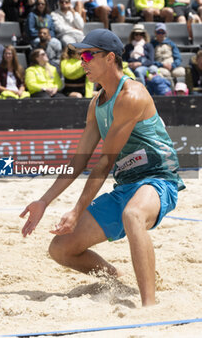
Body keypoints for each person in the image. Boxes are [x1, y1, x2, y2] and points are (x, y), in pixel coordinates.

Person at [20, 28, 185, 307]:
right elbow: (79, 160)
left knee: (133, 215)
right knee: (61, 249)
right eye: (79, 56)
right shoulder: (97, 101)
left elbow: (106, 161)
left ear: (110, 58)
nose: (81, 61)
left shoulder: (132, 95)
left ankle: (150, 307)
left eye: (87, 55)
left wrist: (76, 210)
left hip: (158, 179)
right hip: (126, 185)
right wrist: (44, 201)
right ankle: (116, 277)